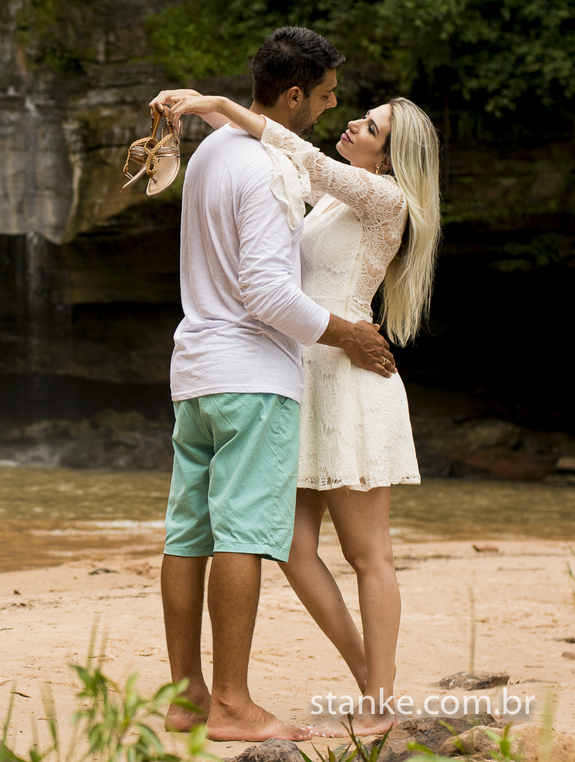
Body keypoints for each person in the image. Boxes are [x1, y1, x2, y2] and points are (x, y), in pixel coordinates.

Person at [157, 77, 442, 736]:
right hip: (295, 375)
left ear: (392, 159)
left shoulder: (385, 198)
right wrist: (190, 135)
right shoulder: (332, 200)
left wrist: (224, 108)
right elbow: (278, 177)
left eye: (368, 129)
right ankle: (368, 680)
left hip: (348, 378)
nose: (350, 127)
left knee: (369, 553)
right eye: (359, 119)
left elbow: (301, 160)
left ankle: (379, 693)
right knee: (289, 544)